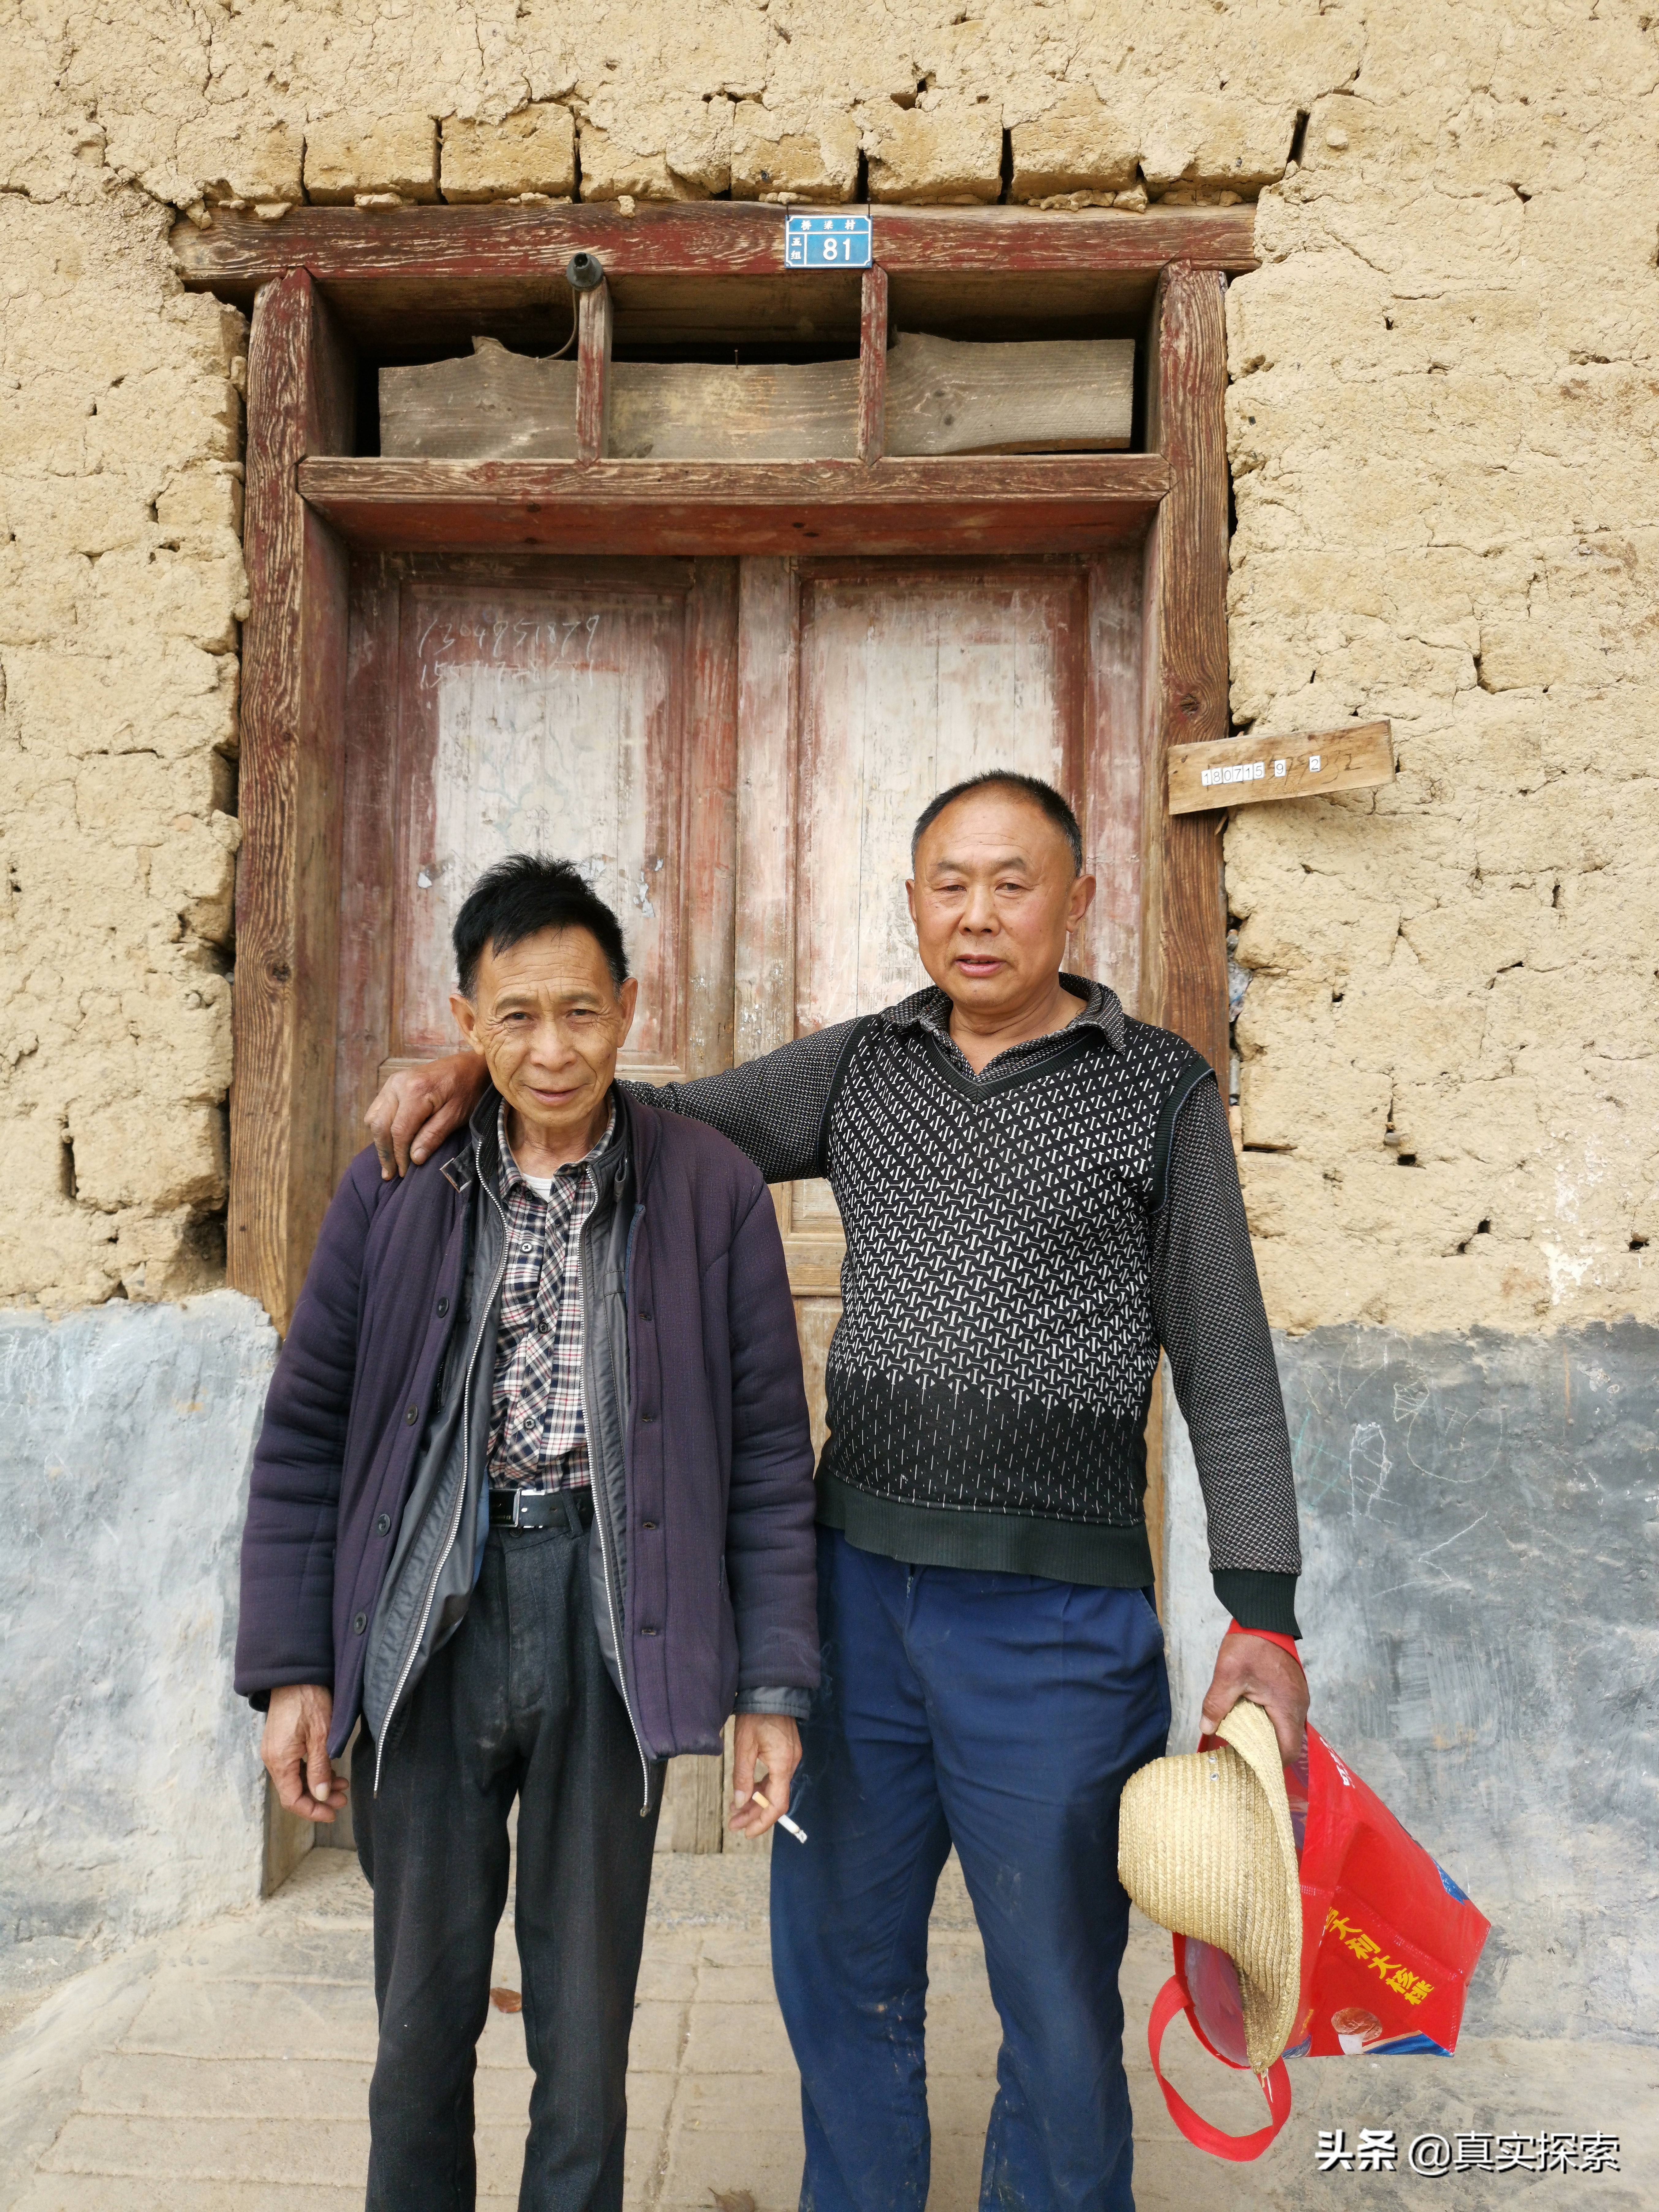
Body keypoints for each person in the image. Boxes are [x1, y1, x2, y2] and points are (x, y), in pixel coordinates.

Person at [368, 774, 1309, 2212]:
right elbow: (647, 1119)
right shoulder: (868, 1064)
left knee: (1059, 2001)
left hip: (1056, 1626)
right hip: (853, 1602)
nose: (977, 915)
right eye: (948, 884)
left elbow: (1227, 1365)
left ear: (1078, 900)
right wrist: (474, 1069)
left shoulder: (1155, 1091)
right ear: (911, 903)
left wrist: (1262, 1611)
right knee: (840, 1977)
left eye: (1011, 883)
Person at [236, 855, 820, 2212]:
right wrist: (294, 1670)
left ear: (629, 1009)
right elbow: (306, 1437)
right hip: (430, 1616)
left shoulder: (710, 1189)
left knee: (585, 2025)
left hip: (613, 1616)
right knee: (419, 2016)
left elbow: (767, 1460)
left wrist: (771, 1688)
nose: (551, 1050)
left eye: (579, 1012)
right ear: (465, 1020)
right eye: (515, 1017)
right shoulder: (397, 1185)